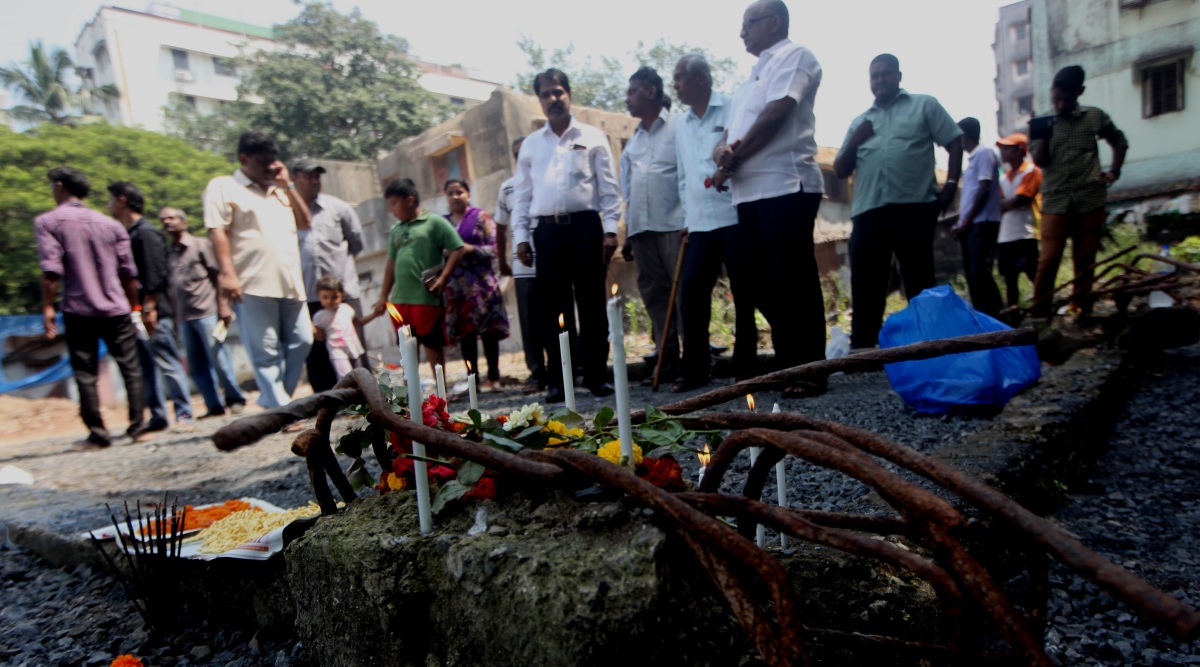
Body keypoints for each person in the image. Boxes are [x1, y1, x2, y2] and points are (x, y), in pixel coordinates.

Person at [712, 0, 826, 396]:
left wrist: (732, 160)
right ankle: (789, 362)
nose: (742, 32)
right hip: (748, 194)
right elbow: (726, 138)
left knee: (793, 280)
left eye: (749, 24)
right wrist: (721, 155)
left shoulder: (795, 56)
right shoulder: (749, 80)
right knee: (759, 283)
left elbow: (777, 114)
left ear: (774, 22)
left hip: (785, 185)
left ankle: (809, 369)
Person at [834, 53, 964, 349]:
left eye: (885, 74)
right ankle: (864, 347)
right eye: (874, 76)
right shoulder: (860, 122)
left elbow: (954, 141)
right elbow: (841, 169)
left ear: (898, 76)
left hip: (914, 207)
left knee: (918, 278)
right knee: (867, 282)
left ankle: (929, 345)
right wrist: (856, 138)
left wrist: (951, 186)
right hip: (869, 210)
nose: (879, 80)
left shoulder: (924, 105)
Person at [512, 68, 621, 403]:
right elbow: (522, 195)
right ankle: (560, 381)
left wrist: (612, 229)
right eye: (545, 94)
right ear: (540, 101)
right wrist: (521, 237)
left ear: (568, 94)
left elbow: (609, 189)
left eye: (558, 91)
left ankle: (596, 376)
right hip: (547, 233)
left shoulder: (592, 136)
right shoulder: (531, 145)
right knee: (552, 310)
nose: (553, 99)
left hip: (586, 228)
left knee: (591, 305)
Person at [35, 167, 147, 448]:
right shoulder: (111, 225)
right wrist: (134, 306)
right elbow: (129, 273)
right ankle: (138, 428)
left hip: (78, 307)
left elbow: (51, 272)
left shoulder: (48, 221)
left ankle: (98, 434)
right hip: (117, 307)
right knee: (130, 368)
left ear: (59, 186)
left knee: (86, 372)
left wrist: (48, 308)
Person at [204, 131, 313, 409]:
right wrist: (228, 275)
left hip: (291, 282)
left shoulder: (280, 190)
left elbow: (305, 223)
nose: (269, 167)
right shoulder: (223, 187)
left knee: (303, 341)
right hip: (251, 283)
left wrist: (288, 184)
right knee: (265, 353)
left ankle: (276, 401)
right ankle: (282, 408)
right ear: (244, 159)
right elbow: (217, 231)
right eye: (263, 161)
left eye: (272, 161)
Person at [671, 53, 754, 392]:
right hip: (701, 222)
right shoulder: (681, 123)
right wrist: (686, 219)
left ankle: (746, 367)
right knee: (691, 292)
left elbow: (744, 153)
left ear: (701, 79)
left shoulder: (732, 106)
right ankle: (695, 370)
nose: (675, 85)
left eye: (680, 78)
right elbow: (683, 175)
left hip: (734, 215)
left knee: (745, 293)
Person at [1030, 65, 1128, 317]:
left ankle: (1082, 310)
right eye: (1056, 99)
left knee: (1085, 260)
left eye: (1066, 99)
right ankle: (1040, 316)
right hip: (1055, 202)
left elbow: (1119, 140)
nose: (1061, 104)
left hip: (1090, 199)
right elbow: (1040, 162)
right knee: (1048, 262)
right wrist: (1044, 136)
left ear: (1079, 92)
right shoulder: (1041, 123)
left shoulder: (1095, 117)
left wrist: (1114, 171)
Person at [107, 182, 194, 431]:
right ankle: (158, 415)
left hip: (153, 310)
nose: (108, 205)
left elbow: (156, 273)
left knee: (167, 361)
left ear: (122, 201)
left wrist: (149, 307)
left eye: (111, 200)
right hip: (138, 310)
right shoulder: (129, 233)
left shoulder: (146, 233)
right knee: (146, 365)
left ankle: (184, 413)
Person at [621, 66, 686, 384]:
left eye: (632, 91)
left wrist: (691, 220)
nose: (627, 99)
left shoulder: (679, 126)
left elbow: (687, 176)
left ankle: (697, 362)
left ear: (650, 91)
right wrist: (628, 234)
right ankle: (667, 363)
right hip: (642, 230)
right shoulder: (633, 141)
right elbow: (629, 189)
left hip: (675, 225)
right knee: (656, 300)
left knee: (684, 294)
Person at [371, 178, 465, 375]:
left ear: (410, 200)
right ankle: (412, 397)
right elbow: (391, 263)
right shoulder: (396, 229)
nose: (392, 209)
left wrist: (443, 278)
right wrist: (383, 296)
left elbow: (457, 248)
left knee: (432, 345)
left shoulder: (434, 222)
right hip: (400, 300)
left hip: (426, 298)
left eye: (394, 203)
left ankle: (441, 394)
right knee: (406, 349)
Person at [160, 207, 247, 417]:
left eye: (172, 218)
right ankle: (213, 406)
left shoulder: (200, 246)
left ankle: (235, 399)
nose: (167, 222)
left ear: (184, 222)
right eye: (163, 220)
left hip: (206, 312)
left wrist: (223, 306)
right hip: (184, 316)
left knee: (220, 360)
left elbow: (219, 278)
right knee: (196, 366)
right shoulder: (169, 253)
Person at [292, 159, 368, 392]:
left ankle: (364, 397)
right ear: (295, 178)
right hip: (308, 293)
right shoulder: (285, 212)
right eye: (308, 176)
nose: (315, 180)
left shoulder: (339, 208)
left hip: (341, 292)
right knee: (317, 351)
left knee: (352, 346)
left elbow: (357, 243)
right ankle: (326, 402)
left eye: (318, 176)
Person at [495, 136, 555, 393]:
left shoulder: (549, 181)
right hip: (523, 268)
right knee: (530, 324)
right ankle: (536, 374)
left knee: (554, 318)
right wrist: (502, 260)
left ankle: (564, 371)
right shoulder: (508, 188)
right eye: (516, 154)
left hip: (552, 261)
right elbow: (499, 226)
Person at [443, 179, 510, 389]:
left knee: (489, 332)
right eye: (450, 193)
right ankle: (473, 380)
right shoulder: (442, 224)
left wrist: (469, 249)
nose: (455, 197)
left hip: (482, 284)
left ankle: (494, 377)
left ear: (467, 195)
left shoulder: (481, 217)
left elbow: (495, 249)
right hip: (457, 287)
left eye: (459, 192)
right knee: (466, 335)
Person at [954, 118, 1004, 317]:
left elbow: (983, 190)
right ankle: (982, 315)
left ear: (963, 136)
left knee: (980, 272)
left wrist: (966, 221)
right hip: (971, 224)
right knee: (972, 273)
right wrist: (960, 222)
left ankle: (995, 314)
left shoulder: (984, 154)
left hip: (982, 223)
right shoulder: (972, 161)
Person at [996, 134, 1042, 308]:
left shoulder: (1031, 171)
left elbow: (1021, 199)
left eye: (1007, 148)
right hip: (1005, 237)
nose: (1003, 152)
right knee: (1010, 280)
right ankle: (1013, 315)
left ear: (1019, 151)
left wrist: (1005, 204)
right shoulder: (1003, 178)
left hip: (1025, 234)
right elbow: (1001, 202)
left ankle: (1043, 308)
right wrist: (1008, 204)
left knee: (1034, 274)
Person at [312, 275, 374, 381]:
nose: (330, 301)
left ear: (342, 295)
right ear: (319, 297)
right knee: (346, 379)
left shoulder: (346, 309)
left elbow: (358, 323)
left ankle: (361, 397)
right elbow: (320, 337)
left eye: (334, 297)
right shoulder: (319, 317)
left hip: (353, 348)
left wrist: (375, 314)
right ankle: (348, 397)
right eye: (325, 297)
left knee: (360, 378)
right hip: (337, 352)